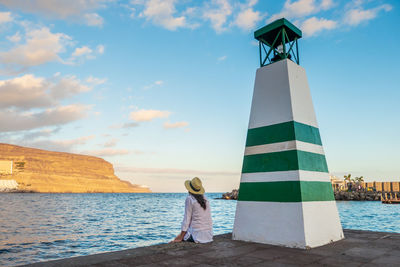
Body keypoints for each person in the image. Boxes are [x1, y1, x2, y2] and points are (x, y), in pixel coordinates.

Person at [171, 177, 213, 243]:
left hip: (197, 236)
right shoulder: (205, 199)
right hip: (208, 235)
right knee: (180, 236)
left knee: (176, 239)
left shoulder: (190, 199)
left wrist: (180, 237)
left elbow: (186, 219)